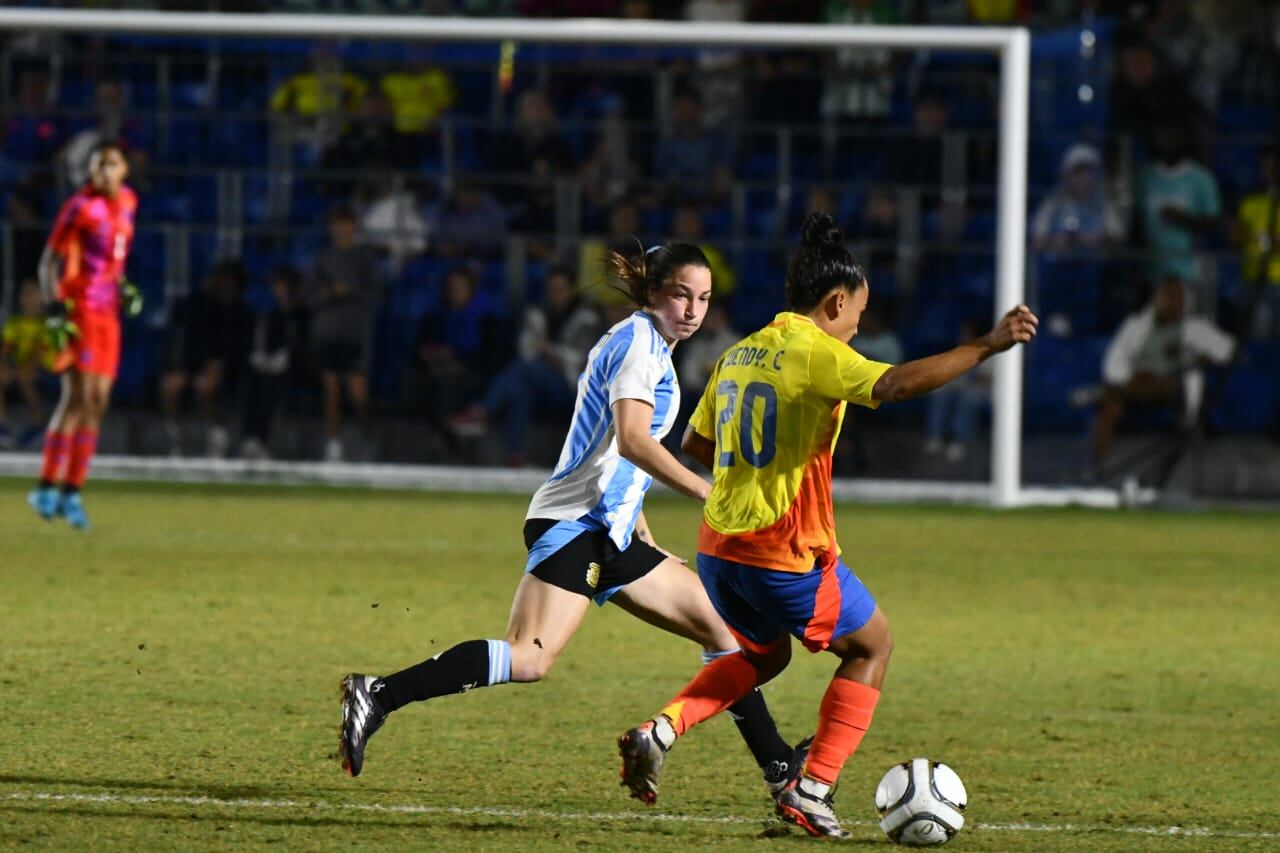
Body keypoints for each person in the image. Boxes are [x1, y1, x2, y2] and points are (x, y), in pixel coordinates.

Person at [340, 242, 806, 808]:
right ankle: (378, 694)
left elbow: (620, 452)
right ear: (652, 290)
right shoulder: (637, 344)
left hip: (611, 529)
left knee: (726, 636)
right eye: (681, 294)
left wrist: (641, 521)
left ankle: (781, 771)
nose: (693, 310)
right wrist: (709, 492)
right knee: (530, 657)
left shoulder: (652, 346)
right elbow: (634, 440)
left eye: (703, 299)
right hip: (575, 523)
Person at [615, 213, 1037, 837]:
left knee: (762, 656)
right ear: (837, 301)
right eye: (858, 316)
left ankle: (661, 730)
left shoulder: (740, 351)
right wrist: (985, 347)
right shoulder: (817, 352)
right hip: (783, 550)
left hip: (719, 548)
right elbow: (892, 385)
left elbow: (700, 444)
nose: (858, 329)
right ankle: (810, 789)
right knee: (872, 646)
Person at [27, 141, 139, 530]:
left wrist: (123, 287)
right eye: (98, 166)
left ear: (124, 169)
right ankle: (46, 484)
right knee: (79, 397)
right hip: (82, 310)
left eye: (112, 164)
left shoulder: (128, 202)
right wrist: (55, 308)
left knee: (98, 403)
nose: (105, 172)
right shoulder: (79, 206)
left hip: (109, 315)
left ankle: (72, 491)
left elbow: (115, 260)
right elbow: (48, 263)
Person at [449, 267, 600, 467]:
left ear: (572, 290)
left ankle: (481, 412)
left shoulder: (587, 318)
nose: (556, 294)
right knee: (520, 390)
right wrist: (554, 355)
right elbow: (526, 350)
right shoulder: (536, 313)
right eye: (552, 289)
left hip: (571, 387)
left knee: (523, 370)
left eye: (561, 289)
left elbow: (583, 358)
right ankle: (515, 457)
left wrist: (549, 351)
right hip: (538, 382)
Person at [1092, 276, 1235, 469]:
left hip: (1170, 387)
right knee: (1111, 407)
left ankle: (1103, 393)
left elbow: (1229, 350)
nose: (1167, 301)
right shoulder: (1137, 325)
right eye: (1165, 295)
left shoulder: (1194, 328)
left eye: (1174, 296)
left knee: (1153, 387)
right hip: (1136, 382)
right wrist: (1124, 380)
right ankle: (1098, 469)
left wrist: (1200, 358)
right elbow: (1115, 359)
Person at [159, 260, 254, 458]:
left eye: (231, 282)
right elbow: (184, 342)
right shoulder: (199, 306)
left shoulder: (243, 313)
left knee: (208, 384)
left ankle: (217, 437)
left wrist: (218, 364)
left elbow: (240, 350)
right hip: (193, 366)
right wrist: (181, 369)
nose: (225, 286)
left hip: (232, 371)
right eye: (222, 281)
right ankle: (175, 438)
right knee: (171, 385)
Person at [312, 206, 381, 463]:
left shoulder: (363, 258)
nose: (342, 230)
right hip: (327, 330)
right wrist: (330, 293)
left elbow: (373, 292)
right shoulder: (323, 257)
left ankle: (370, 440)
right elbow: (312, 293)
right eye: (337, 224)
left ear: (355, 227)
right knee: (331, 390)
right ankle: (333, 445)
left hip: (354, 332)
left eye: (347, 224)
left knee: (358, 394)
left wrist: (348, 290)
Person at [238, 266, 311, 461]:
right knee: (255, 382)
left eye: (286, 287)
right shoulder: (272, 316)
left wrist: (288, 358)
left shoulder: (305, 316)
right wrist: (263, 360)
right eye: (278, 287)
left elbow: (308, 346)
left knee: (270, 384)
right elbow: (261, 346)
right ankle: (251, 439)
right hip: (270, 370)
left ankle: (262, 440)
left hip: (299, 371)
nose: (282, 292)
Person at [1031, 143, 1126, 253]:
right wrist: (1054, 241)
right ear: (1067, 175)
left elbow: (1117, 237)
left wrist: (1089, 239)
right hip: (1057, 266)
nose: (1085, 178)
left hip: (1095, 267)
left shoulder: (1103, 204)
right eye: (1079, 172)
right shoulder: (1054, 202)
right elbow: (1037, 240)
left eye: (1089, 172)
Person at [0, 278, 48, 449]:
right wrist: (4, 367)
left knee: (26, 376)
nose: (28, 299)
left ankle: (38, 427)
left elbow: (39, 355)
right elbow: (4, 349)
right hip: (20, 369)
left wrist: (19, 370)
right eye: (25, 294)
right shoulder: (15, 322)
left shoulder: (46, 323)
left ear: (42, 297)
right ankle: (3, 428)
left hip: (47, 371)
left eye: (33, 294)